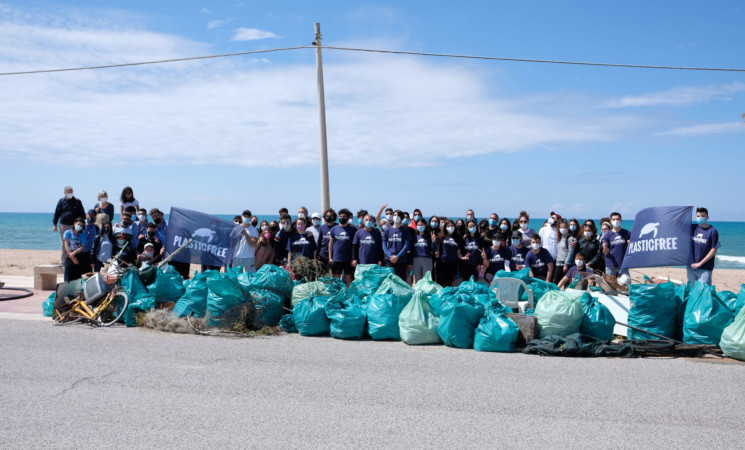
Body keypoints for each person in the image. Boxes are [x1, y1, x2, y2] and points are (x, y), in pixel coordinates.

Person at [53, 186, 85, 264]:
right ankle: (64, 261)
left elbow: (82, 214)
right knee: (64, 243)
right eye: (68, 192)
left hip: (74, 226)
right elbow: (57, 213)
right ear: (65, 193)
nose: (70, 193)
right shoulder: (61, 201)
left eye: (71, 191)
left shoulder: (77, 201)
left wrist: (82, 224)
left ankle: (74, 259)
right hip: (63, 225)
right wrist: (54, 224)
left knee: (75, 243)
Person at [688, 207, 721, 285]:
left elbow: (714, 249)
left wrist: (700, 263)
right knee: (693, 291)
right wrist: (687, 209)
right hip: (691, 267)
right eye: (698, 216)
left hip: (705, 268)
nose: (700, 218)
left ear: (707, 217)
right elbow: (677, 224)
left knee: (704, 292)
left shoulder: (712, 231)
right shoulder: (693, 228)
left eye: (702, 216)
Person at [328, 208, 357, 286]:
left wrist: (354, 258)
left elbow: (355, 244)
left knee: (349, 278)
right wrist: (330, 257)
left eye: (344, 216)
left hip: (348, 258)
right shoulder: (334, 229)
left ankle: (349, 294)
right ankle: (336, 294)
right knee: (336, 278)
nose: (342, 218)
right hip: (337, 258)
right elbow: (330, 244)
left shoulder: (352, 229)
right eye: (340, 216)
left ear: (348, 218)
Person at [382, 210, 411, 280]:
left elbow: (406, 245)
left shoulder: (405, 231)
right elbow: (384, 246)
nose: (396, 217)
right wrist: (390, 256)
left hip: (401, 259)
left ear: (401, 218)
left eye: (398, 215)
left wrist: (397, 256)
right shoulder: (387, 230)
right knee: (388, 281)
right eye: (395, 215)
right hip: (389, 260)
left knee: (401, 281)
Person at [602, 212, 631, 279]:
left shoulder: (627, 233)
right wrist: (605, 248)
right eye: (614, 219)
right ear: (611, 221)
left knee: (626, 286)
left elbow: (634, 246)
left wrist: (630, 243)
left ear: (621, 220)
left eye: (617, 219)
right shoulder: (607, 235)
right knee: (610, 287)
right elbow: (606, 252)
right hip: (610, 265)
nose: (616, 221)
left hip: (623, 265)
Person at [62, 217, 89, 282]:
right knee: (68, 274)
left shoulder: (83, 235)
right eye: (78, 224)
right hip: (69, 254)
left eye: (81, 225)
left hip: (79, 254)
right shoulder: (67, 232)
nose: (79, 226)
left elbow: (82, 246)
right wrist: (72, 256)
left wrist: (75, 252)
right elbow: (66, 244)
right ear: (74, 224)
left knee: (79, 276)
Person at [436, 220, 459, 287]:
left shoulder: (457, 238)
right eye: (448, 226)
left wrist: (463, 257)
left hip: (453, 263)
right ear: (445, 227)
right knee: (440, 282)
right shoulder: (441, 236)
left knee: (449, 282)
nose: (450, 227)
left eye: (452, 226)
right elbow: (437, 248)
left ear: (454, 226)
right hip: (442, 262)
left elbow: (459, 252)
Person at [411, 218, 434, 283]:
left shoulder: (429, 237)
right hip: (416, 260)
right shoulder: (414, 237)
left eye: (422, 225)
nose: (420, 226)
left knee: (427, 280)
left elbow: (433, 249)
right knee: (418, 280)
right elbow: (412, 249)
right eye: (418, 225)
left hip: (427, 260)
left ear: (425, 225)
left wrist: (434, 241)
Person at [552, 219, 569, 285]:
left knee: (566, 284)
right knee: (556, 282)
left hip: (565, 265)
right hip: (558, 263)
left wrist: (566, 264)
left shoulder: (569, 238)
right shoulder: (560, 237)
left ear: (567, 227)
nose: (562, 229)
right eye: (561, 227)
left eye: (564, 227)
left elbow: (570, 252)